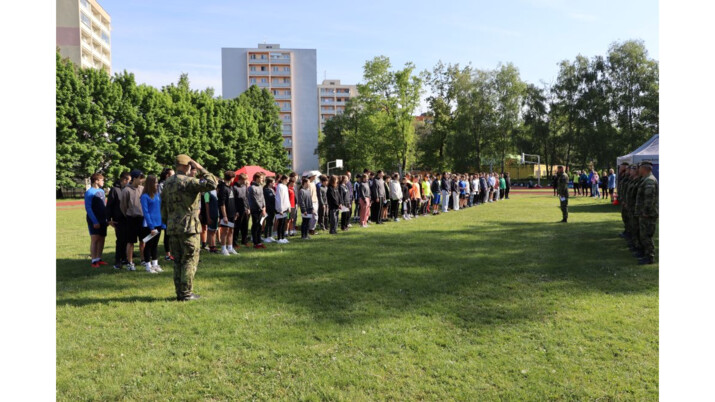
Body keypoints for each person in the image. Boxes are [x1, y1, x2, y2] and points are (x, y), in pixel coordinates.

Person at [161, 154, 218, 301]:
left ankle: (179, 292)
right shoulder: (190, 181)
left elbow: (163, 207)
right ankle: (186, 293)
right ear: (187, 166)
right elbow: (213, 183)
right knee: (189, 260)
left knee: (177, 261)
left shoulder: (167, 183)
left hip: (173, 227)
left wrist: (168, 221)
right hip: (189, 228)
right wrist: (200, 168)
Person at [119, 169, 145, 270]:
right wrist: (129, 214)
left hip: (142, 218)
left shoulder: (142, 189)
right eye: (140, 178)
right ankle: (130, 262)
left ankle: (143, 259)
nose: (142, 180)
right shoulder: (126, 190)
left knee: (143, 240)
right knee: (130, 241)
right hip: (131, 218)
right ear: (134, 179)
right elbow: (123, 206)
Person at [633, 161, 658, 265]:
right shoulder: (646, 179)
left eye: (640, 168)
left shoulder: (649, 181)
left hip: (648, 214)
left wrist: (646, 212)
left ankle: (649, 257)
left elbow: (649, 198)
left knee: (646, 236)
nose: (638, 169)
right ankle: (645, 254)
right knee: (643, 235)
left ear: (644, 168)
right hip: (644, 213)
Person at [139, 175, 165, 273]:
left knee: (155, 245)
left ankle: (155, 264)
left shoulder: (157, 195)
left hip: (158, 223)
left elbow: (160, 209)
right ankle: (148, 265)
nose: (157, 184)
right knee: (149, 245)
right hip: (149, 225)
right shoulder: (144, 196)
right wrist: (151, 227)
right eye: (155, 182)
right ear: (150, 184)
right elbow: (146, 212)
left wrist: (162, 223)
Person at [106, 171, 130, 269]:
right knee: (120, 240)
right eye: (129, 180)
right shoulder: (115, 190)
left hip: (127, 218)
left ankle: (124, 258)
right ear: (124, 180)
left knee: (126, 239)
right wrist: (109, 219)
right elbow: (109, 205)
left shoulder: (127, 189)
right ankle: (118, 260)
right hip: (118, 219)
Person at [84, 173, 108, 268]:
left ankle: (99, 258)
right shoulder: (89, 192)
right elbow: (88, 208)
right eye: (102, 180)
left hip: (103, 219)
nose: (103, 182)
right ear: (96, 181)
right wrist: (95, 221)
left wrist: (106, 218)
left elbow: (104, 205)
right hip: (94, 219)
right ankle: (94, 261)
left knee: (102, 238)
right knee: (95, 239)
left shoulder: (101, 191)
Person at [217, 171, 238, 255]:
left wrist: (235, 212)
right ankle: (223, 249)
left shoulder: (231, 187)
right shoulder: (223, 188)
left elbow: (233, 201)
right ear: (231, 178)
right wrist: (224, 216)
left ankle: (230, 247)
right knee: (225, 231)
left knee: (231, 230)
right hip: (226, 214)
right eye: (233, 178)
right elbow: (222, 204)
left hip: (232, 213)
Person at [158, 168, 175, 261]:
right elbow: (162, 199)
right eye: (172, 175)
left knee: (170, 234)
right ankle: (167, 254)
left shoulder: (172, 184)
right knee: (163, 233)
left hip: (171, 212)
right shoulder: (161, 185)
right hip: (163, 213)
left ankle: (171, 253)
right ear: (167, 176)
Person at [248, 172, 267, 248]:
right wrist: (261, 208)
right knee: (255, 225)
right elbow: (254, 199)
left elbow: (263, 198)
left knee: (260, 225)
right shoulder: (252, 188)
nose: (263, 179)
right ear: (257, 178)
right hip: (255, 209)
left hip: (261, 209)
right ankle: (255, 242)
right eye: (261, 178)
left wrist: (264, 207)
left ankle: (259, 241)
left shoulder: (260, 186)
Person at [232, 173, 250, 248]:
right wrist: (236, 211)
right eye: (245, 180)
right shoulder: (234, 187)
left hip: (245, 209)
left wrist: (248, 208)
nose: (246, 181)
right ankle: (234, 242)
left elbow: (246, 198)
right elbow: (233, 200)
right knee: (237, 226)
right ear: (241, 179)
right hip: (238, 210)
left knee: (245, 226)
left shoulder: (244, 187)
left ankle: (244, 241)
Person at [275, 174, 291, 244]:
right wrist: (280, 209)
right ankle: (279, 238)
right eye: (287, 179)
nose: (288, 181)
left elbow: (287, 198)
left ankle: (283, 237)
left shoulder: (285, 187)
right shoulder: (279, 186)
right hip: (281, 208)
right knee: (280, 223)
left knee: (284, 223)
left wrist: (289, 206)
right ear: (284, 179)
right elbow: (279, 198)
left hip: (285, 207)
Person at [262, 176, 277, 243]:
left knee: (271, 222)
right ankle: (266, 236)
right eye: (273, 182)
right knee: (268, 222)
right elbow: (266, 201)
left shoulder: (272, 190)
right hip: (268, 209)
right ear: (269, 183)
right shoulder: (265, 190)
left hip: (273, 209)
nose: (274, 183)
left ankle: (270, 235)